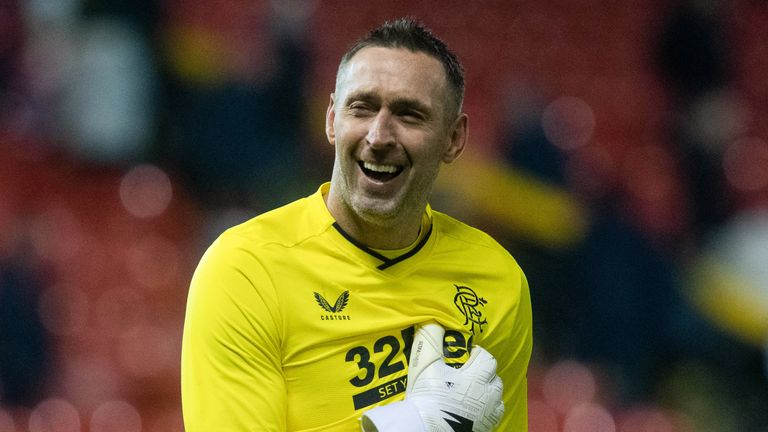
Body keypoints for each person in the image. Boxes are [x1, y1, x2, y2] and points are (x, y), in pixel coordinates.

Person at [181, 18, 532, 431]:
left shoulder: (497, 279)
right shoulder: (246, 269)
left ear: (453, 139)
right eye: (361, 108)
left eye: (409, 115)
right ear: (332, 120)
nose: (379, 136)